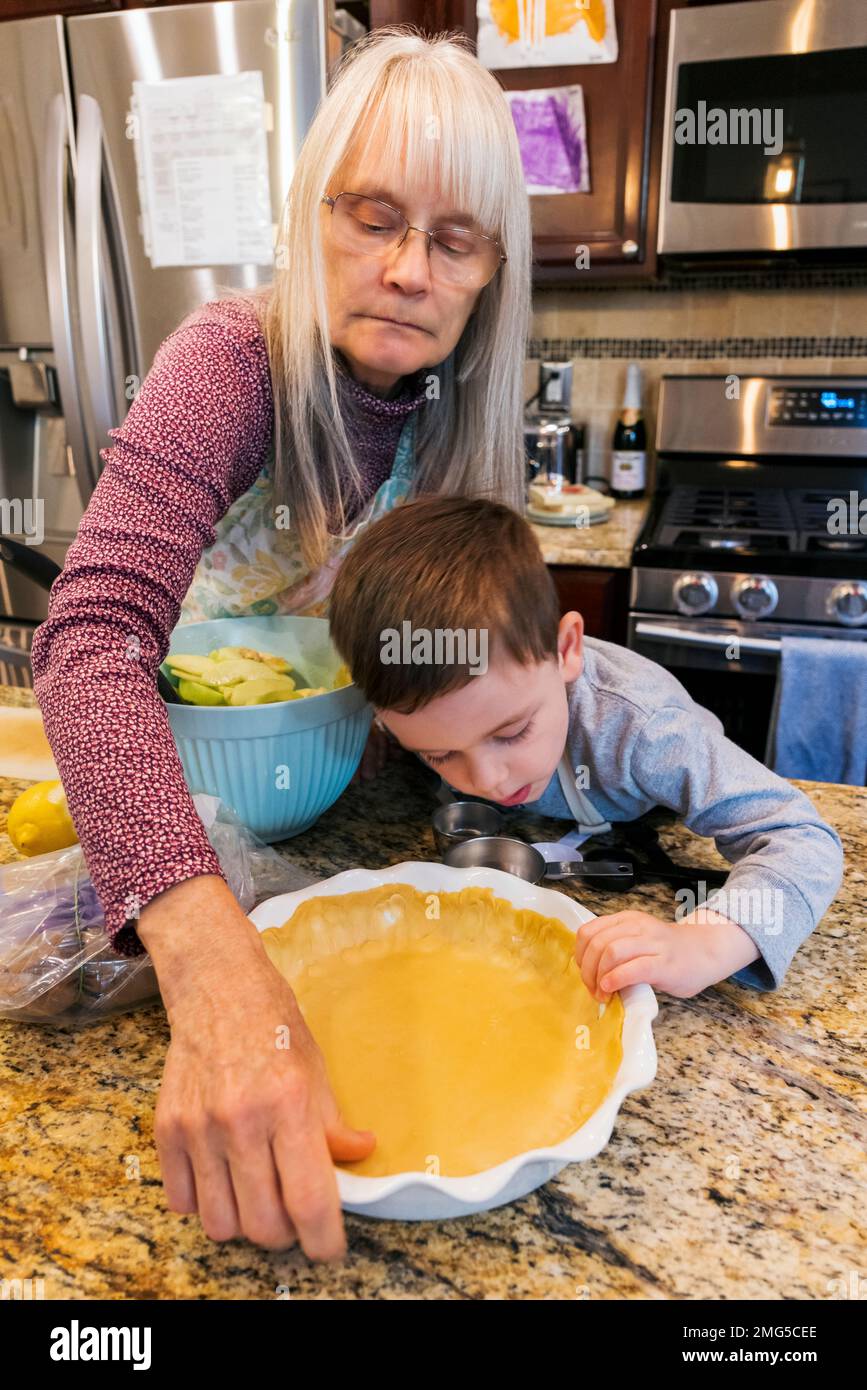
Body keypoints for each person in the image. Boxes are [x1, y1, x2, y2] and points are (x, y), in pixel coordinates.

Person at [29, 28, 531, 1261]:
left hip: (340, 824)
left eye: (453, 240)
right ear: (312, 219)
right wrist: (207, 966)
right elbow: (87, 638)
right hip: (177, 833)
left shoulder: (457, 410)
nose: (408, 269)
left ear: (488, 277)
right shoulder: (227, 362)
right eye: (372, 217)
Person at [329, 495, 845, 1000]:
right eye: (439, 755)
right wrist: (373, 744)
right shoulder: (421, 709)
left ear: (566, 650)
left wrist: (707, 942)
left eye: (511, 733)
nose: (487, 780)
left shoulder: (642, 731)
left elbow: (801, 837)